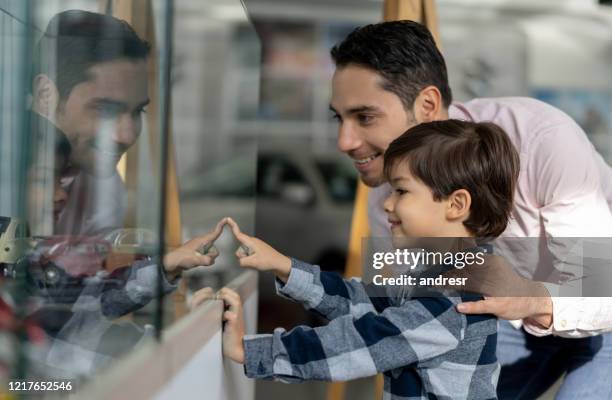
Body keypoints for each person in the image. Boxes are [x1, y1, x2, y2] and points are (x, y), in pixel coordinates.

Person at [327, 20, 612, 399]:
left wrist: (527, 297)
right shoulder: (387, 198)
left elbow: (599, 288)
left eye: (364, 117)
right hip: (508, 319)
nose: (344, 141)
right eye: (339, 118)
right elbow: (403, 309)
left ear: (427, 104)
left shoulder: (542, 141)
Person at [197, 119, 520, 399]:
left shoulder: (453, 297)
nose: (387, 205)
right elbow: (366, 300)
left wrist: (251, 351)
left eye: (401, 191)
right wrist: (285, 267)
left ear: (456, 204)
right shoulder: (439, 273)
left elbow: (363, 342)